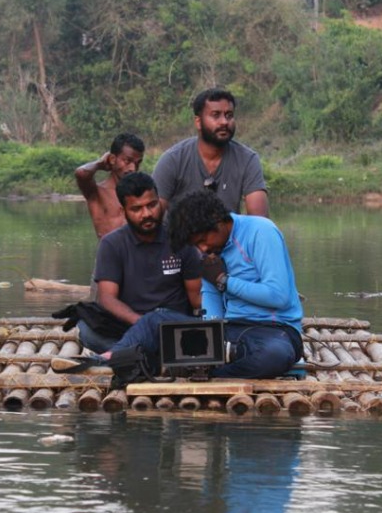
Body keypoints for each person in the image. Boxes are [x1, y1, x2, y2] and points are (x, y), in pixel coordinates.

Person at [100, 190, 302, 379]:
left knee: (275, 355)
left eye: (204, 239)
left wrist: (224, 281)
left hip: (274, 330)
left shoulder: (261, 231)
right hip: (230, 332)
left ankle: (205, 372)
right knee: (155, 319)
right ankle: (110, 359)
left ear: (219, 221)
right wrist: (209, 340)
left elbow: (278, 295)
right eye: (197, 245)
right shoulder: (210, 251)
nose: (203, 248)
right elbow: (212, 306)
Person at [75, 172, 203, 353]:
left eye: (152, 205)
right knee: (87, 332)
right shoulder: (111, 244)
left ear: (160, 201)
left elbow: (197, 299)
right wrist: (141, 322)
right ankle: (137, 352)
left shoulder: (182, 240)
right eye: (137, 209)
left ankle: (129, 354)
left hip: (172, 326)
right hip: (130, 325)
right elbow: (107, 298)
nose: (147, 214)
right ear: (123, 210)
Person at [152, 88, 269, 217]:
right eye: (215, 115)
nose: (224, 122)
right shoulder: (173, 160)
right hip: (179, 236)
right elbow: (153, 217)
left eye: (229, 115)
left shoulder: (247, 160)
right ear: (198, 122)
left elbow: (260, 221)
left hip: (228, 236)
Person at [75, 133, 146, 239]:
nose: (133, 168)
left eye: (137, 163)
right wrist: (100, 163)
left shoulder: (142, 193)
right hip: (109, 254)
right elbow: (81, 173)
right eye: (127, 161)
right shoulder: (97, 193)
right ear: (113, 159)